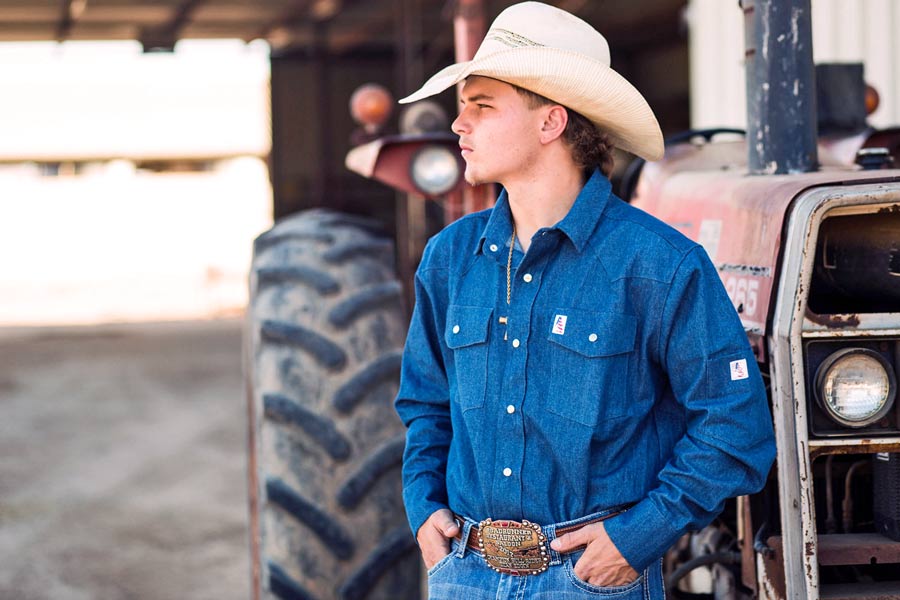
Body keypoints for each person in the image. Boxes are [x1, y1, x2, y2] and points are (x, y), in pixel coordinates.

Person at [393, 2, 776, 598]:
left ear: (550, 122)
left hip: (592, 579)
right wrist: (423, 508)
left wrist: (640, 537)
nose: (457, 125)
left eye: (481, 106)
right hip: (463, 571)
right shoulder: (449, 258)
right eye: (462, 107)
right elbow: (424, 403)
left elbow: (736, 427)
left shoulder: (659, 264)